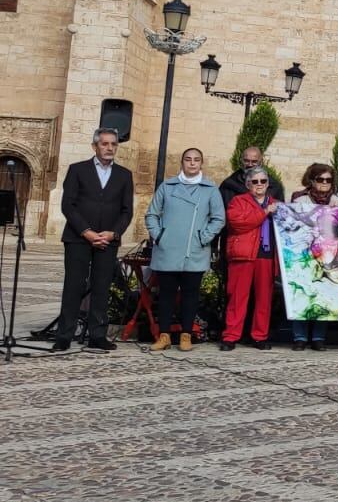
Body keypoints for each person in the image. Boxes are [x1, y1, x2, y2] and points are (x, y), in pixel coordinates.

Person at [54, 128, 134, 351]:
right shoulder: (78, 170)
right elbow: (68, 205)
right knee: (73, 286)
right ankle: (64, 335)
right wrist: (86, 232)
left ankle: (97, 335)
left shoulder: (124, 175)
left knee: (102, 286)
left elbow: (127, 211)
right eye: (105, 144)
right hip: (78, 238)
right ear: (95, 146)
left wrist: (113, 233)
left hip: (108, 240)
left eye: (113, 144)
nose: (109, 148)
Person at [145, 147, 225, 352]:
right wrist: (159, 235)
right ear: (182, 162)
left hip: (194, 249)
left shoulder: (210, 190)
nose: (192, 163)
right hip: (168, 248)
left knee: (190, 294)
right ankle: (164, 336)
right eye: (188, 159)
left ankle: (186, 335)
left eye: (196, 160)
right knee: (166, 294)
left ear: (201, 163)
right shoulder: (167, 186)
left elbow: (218, 218)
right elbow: (151, 214)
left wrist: (203, 237)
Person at [288, 162, 338, 350]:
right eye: (320, 179)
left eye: (328, 180)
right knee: (302, 293)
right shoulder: (299, 202)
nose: (324, 183)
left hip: (327, 256)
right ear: (312, 180)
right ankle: (300, 337)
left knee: (323, 295)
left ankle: (319, 337)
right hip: (304, 255)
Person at [222, 169, 279, 351]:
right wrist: (264, 212)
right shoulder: (238, 201)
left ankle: (260, 336)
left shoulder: (277, 204)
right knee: (238, 297)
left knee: (264, 299)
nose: (259, 184)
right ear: (248, 185)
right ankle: (231, 336)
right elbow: (238, 222)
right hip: (244, 255)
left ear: (268, 183)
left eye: (263, 180)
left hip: (267, 256)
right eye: (255, 181)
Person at [218, 145, 286, 206]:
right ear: (241, 160)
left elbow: (280, 211)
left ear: (261, 162)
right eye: (246, 161)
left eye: (254, 161)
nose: (250, 165)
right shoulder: (229, 184)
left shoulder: (274, 186)